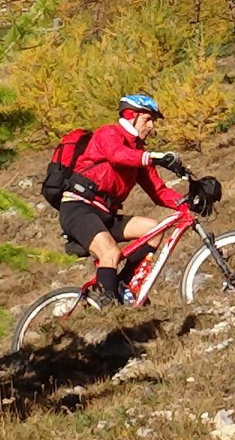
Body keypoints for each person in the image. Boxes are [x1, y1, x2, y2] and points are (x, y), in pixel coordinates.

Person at [59, 93, 185, 304]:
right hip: (79, 208)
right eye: (148, 119)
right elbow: (116, 154)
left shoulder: (139, 152)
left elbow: (159, 192)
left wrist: (188, 202)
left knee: (154, 229)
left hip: (106, 214)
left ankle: (122, 285)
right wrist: (153, 157)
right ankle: (110, 308)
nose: (152, 126)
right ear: (131, 116)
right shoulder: (108, 133)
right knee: (110, 252)